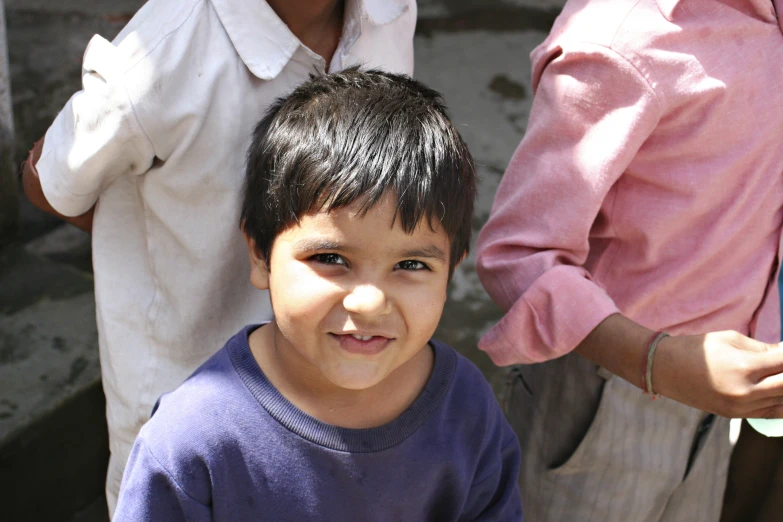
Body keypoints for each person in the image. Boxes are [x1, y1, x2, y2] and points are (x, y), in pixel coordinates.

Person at [19, 0, 415, 512]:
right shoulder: (162, 56)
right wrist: (166, 233)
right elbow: (50, 183)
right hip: (186, 387)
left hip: (334, 384)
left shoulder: (389, 12)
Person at [112, 69, 522, 521]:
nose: (369, 303)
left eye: (410, 266)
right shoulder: (191, 441)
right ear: (261, 256)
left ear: (450, 272)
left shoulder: (466, 409)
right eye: (331, 258)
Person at [475, 0, 783, 520]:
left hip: (716, 397)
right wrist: (657, 362)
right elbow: (520, 254)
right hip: (605, 392)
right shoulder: (619, 40)